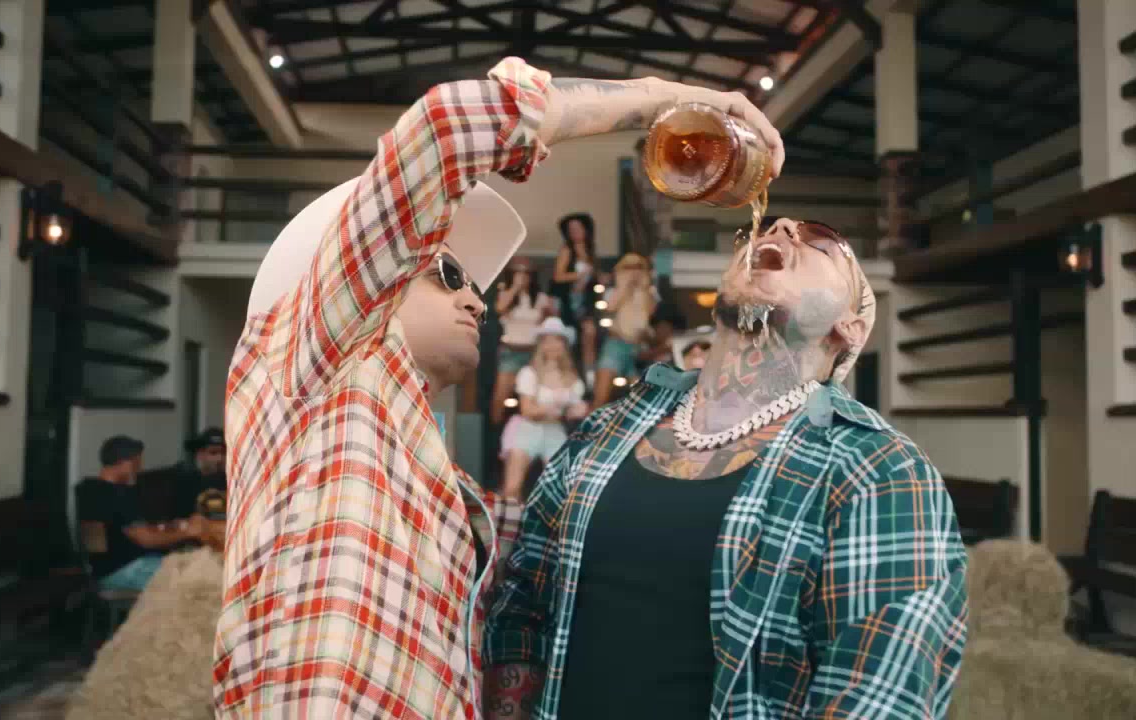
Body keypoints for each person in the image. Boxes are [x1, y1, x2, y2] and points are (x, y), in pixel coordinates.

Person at [214, 57, 784, 719]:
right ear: (358, 280)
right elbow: (446, 128)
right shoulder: (307, 356)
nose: (477, 302)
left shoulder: (428, 480)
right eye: (449, 274)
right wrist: (669, 99)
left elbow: (568, 540)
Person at [486, 217, 967, 719]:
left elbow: (877, 698)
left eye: (821, 240)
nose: (782, 227)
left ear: (849, 327)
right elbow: (523, 602)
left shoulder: (878, 469)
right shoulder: (606, 428)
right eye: (763, 229)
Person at [76, 435, 208, 592]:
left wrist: (168, 527)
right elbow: (144, 539)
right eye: (137, 463)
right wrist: (188, 532)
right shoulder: (115, 494)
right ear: (124, 462)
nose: (139, 469)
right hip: (125, 570)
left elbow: (125, 530)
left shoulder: (90, 489)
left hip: (108, 569)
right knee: (204, 578)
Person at [500, 318, 588, 501]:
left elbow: (575, 411)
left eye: (557, 340)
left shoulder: (573, 378)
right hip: (527, 429)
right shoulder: (529, 373)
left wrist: (576, 410)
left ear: (564, 345)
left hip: (554, 430)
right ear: (541, 345)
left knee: (559, 489)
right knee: (512, 488)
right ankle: (510, 520)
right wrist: (557, 408)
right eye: (547, 340)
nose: (552, 345)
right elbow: (527, 410)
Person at [493, 257, 554, 424]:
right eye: (518, 273)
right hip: (510, 351)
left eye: (526, 273)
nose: (522, 277)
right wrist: (515, 287)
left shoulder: (541, 298)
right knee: (500, 397)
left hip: (533, 352)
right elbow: (500, 308)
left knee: (532, 395)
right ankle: (496, 432)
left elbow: (548, 324)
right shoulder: (505, 294)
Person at [593, 252, 658, 407]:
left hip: (638, 348)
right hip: (616, 344)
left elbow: (650, 311)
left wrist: (642, 288)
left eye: (638, 267)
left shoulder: (649, 292)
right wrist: (625, 286)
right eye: (629, 267)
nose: (634, 271)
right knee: (601, 396)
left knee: (642, 400)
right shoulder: (613, 291)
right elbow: (611, 308)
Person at [551, 212, 600, 382]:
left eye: (578, 228)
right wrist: (579, 274)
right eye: (571, 229)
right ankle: (569, 377)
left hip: (586, 300)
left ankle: (590, 375)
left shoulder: (590, 250)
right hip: (567, 300)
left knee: (589, 333)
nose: (575, 232)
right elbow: (558, 276)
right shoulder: (567, 250)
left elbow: (592, 278)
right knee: (569, 339)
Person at [174, 427, 227, 519]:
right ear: (200, 455)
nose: (220, 458)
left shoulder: (235, 483)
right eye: (213, 453)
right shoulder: (186, 483)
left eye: (224, 453)